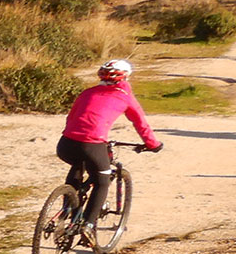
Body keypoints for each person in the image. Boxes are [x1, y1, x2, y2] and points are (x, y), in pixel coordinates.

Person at [57, 59, 163, 222]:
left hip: (65, 144)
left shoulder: (87, 92)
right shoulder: (125, 97)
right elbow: (140, 123)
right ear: (126, 77)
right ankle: (89, 225)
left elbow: (71, 117)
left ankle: (68, 209)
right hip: (92, 145)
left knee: (78, 165)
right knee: (102, 182)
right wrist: (153, 144)